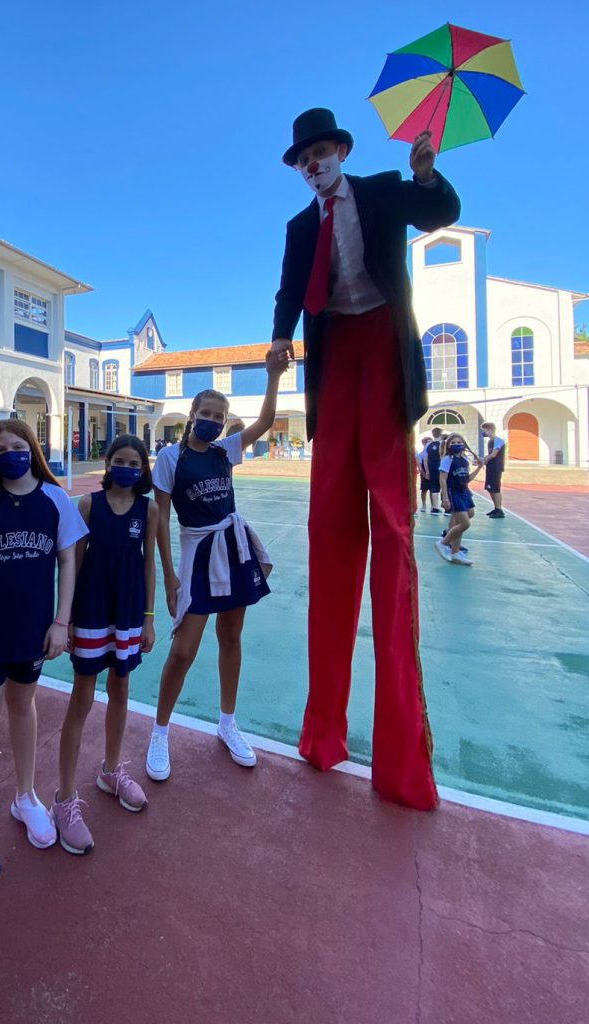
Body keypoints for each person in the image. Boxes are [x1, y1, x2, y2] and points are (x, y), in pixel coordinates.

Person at [270, 107, 461, 811]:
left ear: (341, 152)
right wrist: (279, 338)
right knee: (329, 532)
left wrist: (426, 175)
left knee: (390, 529)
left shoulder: (381, 190)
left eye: (320, 152)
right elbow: (290, 290)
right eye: (303, 159)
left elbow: (440, 213)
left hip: (381, 346)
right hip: (334, 361)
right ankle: (322, 734)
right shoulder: (300, 228)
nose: (313, 164)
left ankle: (401, 760)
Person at [0, 419, 87, 881]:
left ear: (33, 448)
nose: (11, 454)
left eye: (18, 446)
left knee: (23, 706)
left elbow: (68, 562)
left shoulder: (55, 500)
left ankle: (25, 796)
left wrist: (61, 622)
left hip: (33, 630)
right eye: (1, 448)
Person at [144, 353, 284, 783]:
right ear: (192, 415)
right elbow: (160, 519)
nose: (211, 420)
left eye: (218, 416)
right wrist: (169, 576)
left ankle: (227, 723)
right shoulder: (171, 458)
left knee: (231, 636)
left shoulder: (226, 450)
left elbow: (265, 421)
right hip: (198, 553)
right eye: (205, 413)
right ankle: (159, 732)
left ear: (224, 422)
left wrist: (273, 377)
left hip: (232, 548)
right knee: (183, 651)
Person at [53, 435, 158, 854]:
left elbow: (149, 565)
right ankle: (64, 798)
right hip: (92, 610)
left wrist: (149, 618)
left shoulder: (148, 509)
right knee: (82, 698)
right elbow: (73, 562)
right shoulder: (88, 505)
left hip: (128, 611)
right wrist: (65, 617)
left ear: (143, 468)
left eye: (135, 462)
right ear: (108, 463)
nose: (127, 468)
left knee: (121, 689)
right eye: (120, 461)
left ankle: (110, 771)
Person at [436, 433, 480, 566]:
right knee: (465, 524)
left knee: (469, 515)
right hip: (453, 492)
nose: (456, 445)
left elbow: (467, 478)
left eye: (459, 442)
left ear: (463, 444)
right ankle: (443, 543)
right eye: (453, 443)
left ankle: (455, 552)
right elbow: (442, 479)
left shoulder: (465, 459)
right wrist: (445, 498)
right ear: (448, 445)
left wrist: (479, 467)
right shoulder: (447, 459)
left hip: (464, 490)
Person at [481, 422, 506, 518]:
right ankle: (496, 508)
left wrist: (483, 460)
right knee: (490, 488)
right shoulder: (490, 442)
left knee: (495, 488)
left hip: (496, 467)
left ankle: (499, 509)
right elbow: (489, 455)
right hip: (490, 467)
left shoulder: (498, 440)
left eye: (484, 430)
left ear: (490, 430)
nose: (483, 432)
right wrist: (482, 460)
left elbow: (494, 454)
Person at [416, 435, 431, 513]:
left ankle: (433, 506)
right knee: (424, 489)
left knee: (433, 490)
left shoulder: (434, 453)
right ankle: (424, 504)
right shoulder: (421, 454)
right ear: (423, 443)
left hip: (432, 472)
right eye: (427, 442)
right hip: (424, 473)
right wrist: (424, 474)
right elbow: (420, 465)